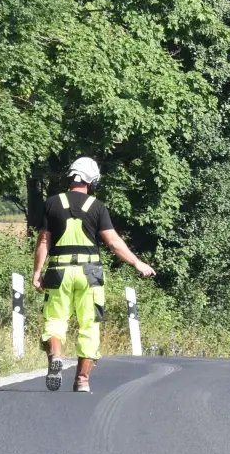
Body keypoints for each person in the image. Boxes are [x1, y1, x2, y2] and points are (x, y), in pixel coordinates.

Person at [32, 156, 155, 393]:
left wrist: (38, 272)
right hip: (90, 273)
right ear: (91, 181)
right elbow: (113, 243)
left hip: (59, 271)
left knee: (55, 321)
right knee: (89, 325)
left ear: (71, 177)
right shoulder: (97, 207)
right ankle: (82, 380)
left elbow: (43, 241)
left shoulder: (52, 203)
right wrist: (137, 263)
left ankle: (56, 356)